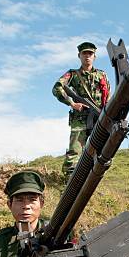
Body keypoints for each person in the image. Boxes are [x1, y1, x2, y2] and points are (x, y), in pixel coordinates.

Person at [52, 42, 111, 176]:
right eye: (84, 53)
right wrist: (72, 103)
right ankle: (68, 182)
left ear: (94, 57)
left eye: (90, 54)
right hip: (80, 119)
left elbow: (108, 97)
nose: (87, 56)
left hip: (99, 118)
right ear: (79, 56)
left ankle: (89, 179)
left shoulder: (102, 75)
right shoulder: (72, 74)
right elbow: (57, 88)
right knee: (75, 153)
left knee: (100, 152)